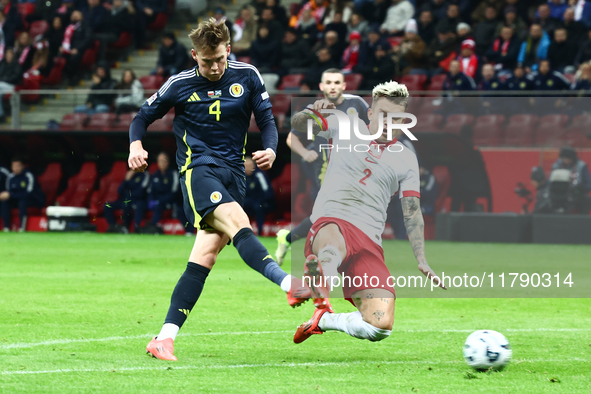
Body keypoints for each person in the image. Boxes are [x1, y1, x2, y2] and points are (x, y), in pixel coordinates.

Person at [129, 18, 308, 361]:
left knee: (204, 258)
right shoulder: (179, 83)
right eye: (205, 61)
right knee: (239, 222)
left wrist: (270, 148)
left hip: (234, 174)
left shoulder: (248, 75)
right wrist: (136, 144)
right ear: (194, 55)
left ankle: (164, 338)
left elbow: (268, 120)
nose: (213, 67)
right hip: (198, 171)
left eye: (219, 60)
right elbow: (142, 117)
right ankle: (287, 283)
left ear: (229, 50)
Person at [289, 81, 446, 344]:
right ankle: (316, 282)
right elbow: (297, 123)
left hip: (368, 243)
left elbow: (412, 212)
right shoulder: (344, 124)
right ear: (370, 114)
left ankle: (324, 319)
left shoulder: (406, 158)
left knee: (380, 326)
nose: (388, 122)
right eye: (383, 114)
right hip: (332, 221)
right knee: (330, 249)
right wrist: (312, 112)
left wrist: (421, 258)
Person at [276, 68, 370, 265]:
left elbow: (373, 132)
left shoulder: (357, 104)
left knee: (330, 214)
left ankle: (288, 238)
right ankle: (334, 256)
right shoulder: (313, 110)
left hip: (354, 169)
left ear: (344, 85)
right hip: (324, 168)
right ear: (321, 86)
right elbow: (292, 138)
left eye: (337, 83)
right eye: (329, 83)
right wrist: (305, 153)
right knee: (330, 212)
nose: (333, 87)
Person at [0, 157, 45, 232]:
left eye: (18, 166)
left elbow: (29, 193)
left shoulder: (29, 176)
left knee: (22, 201)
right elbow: (9, 192)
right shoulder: (10, 177)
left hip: (32, 200)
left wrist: (10, 195)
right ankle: (6, 227)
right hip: (16, 200)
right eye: (13, 166)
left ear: (23, 166)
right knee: (5, 201)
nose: (15, 168)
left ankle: (22, 227)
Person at [104, 169, 149, 233]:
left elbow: (140, 193)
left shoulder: (144, 175)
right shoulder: (129, 175)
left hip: (136, 201)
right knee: (107, 206)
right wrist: (126, 180)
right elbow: (119, 191)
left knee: (127, 205)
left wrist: (128, 195)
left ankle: (128, 227)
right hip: (125, 200)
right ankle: (113, 226)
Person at [144, 152, 179, 233]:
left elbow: (174, 193)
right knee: (140, 205)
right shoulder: (155, 175)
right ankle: (137, 228)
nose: (162, 163)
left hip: (168, 202)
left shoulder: (173, 174)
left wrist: (159, 201)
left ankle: (153, 226)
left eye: (164, 161)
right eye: (160, 161)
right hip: (156, 201)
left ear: (168, 162)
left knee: (159, 205)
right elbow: (150, 191)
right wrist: (150, 201)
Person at [551, 146, 591, 214]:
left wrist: (582, 188)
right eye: (564, 158)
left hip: (577, 193)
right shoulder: (557, 166)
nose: (566, 160)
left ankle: (583, 220)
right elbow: (550, 182)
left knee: (586, 200)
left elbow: (589, 184)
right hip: (559, 194)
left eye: (568, 158)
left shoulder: (581, 166)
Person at [243, 156, 275, 236]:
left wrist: (259, 200)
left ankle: (260, 232)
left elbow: (268, 192)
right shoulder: (241, 176)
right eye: (245, 166)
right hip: (247, 201)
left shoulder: (259, 175)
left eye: (249, 165)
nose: (247, 168)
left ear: (253, 166)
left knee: (258, 207)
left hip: (261, 201)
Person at [60, 10, 92, 86]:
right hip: (67, 49)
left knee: (72, 60)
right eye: (73, 15)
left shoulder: (85, 26)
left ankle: (74, 78)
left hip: (79, 50)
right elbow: (63, 38)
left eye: (77, 15)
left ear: (81, 17)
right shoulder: (68, 26)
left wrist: (77, 48)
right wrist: (61, 46)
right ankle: (62, 79)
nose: (74, 16)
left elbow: (87, 39)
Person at [0, 48, 22, 123]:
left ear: (13, 56)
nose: (8, 57)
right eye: (7, 55)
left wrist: (5, 80)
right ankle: (1, 114)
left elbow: (16, 76)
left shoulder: (16, 65)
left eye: (10, 55)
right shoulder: (2, 64)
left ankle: (1, 114)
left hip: (11, 85)